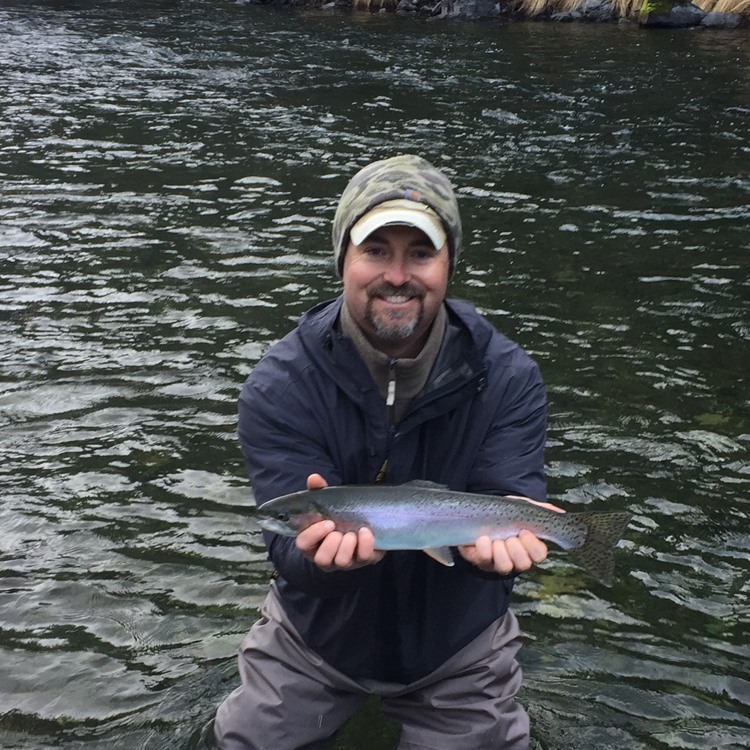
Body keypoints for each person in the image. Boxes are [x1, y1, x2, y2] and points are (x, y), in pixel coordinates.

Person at [214, 154, 557, 750]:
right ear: (342, 259)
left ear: (449, 264)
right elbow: (283, 548)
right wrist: (319, 562)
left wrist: (498, 542)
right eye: (376, 250)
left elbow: (512, 493)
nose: (397, 275)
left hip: (459, 641)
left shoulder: (507, 376)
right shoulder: (280, 384)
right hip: (315, 639)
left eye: (420, 254)